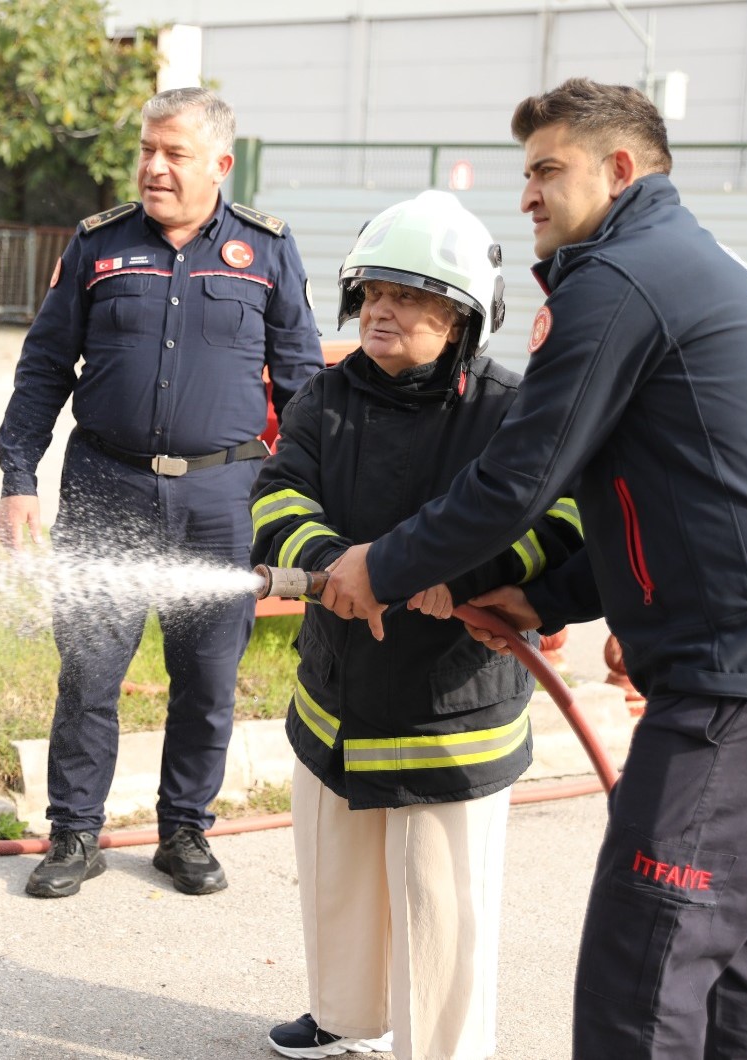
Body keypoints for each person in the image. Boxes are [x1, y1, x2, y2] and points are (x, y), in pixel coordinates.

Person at [320, 78, 747, 1058]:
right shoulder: (725, 274)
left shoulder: (618, 278)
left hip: (741, 679)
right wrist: (543, 595)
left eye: (547, 170)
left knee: (647, 962)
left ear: (619, 168)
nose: (527, 195)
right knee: (735, 944)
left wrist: (381, 565)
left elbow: (519, 478)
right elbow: (685, 493)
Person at [251, 190, 585, 1060]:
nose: (381, 310)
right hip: (338, 691)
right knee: (337, 872)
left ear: (462, 317)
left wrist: (465, 575)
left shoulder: (510, 410)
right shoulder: (326, 395)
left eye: (409, 296)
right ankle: (343, 1015)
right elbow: (278, 495)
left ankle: (443, 1051)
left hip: (451, 707)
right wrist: (331, 565)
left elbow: (561, 521)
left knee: (444, 904)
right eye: (372, 293)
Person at [0, 87, 325, 899]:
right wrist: (18, 479)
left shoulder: (267, 250)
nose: (154, 167)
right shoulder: (98, 244)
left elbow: (303, 383)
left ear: (220, 164)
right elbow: (45, 366)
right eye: (147, 149)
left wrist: (311, 500)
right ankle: (75, 833)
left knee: (207, 681)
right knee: (89, 674)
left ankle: (184, 831)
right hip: (105, 488)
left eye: (175, 153)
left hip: (224, 499)